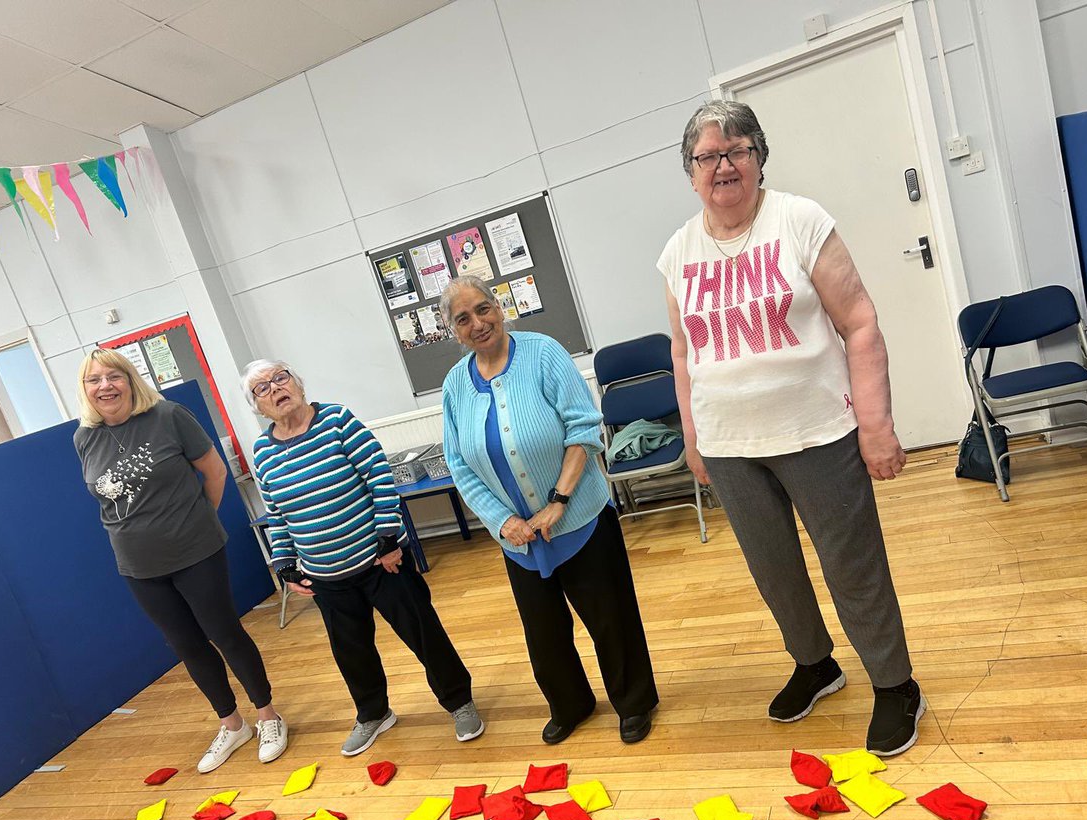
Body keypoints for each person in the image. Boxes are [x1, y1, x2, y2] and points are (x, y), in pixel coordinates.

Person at [657, 99, 924, 756]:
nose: (723, 164)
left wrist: (876, 426)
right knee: (773, 569)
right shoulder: (676, 253)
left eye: (736, 150)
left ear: (758, 157)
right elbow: (684, 351)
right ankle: (815, 663)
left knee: (851, 565)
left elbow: (859, 323)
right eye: (708, 155)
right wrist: (693, 436)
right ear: (690, 172)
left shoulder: (799, 221)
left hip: (816, 432)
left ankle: (895, 685)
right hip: (728, 445)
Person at [439, 276, 659, 745]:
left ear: (499, 308)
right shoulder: (455, 385)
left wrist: (559, 500)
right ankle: (570, 704)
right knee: (543, 634)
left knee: (610, 619)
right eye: (463, 318)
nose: (478, 323)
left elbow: (583, 429)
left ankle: (634, 702)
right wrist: (504, 522)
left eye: (483, 309)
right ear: (452, 330)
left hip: (578, 516)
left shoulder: (543, 352)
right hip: (518, 536)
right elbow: (459, 463)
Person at [244, 360, 483, 756]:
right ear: (257, 406)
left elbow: (379, 477)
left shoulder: (337, 420)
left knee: (423, 633)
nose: (275, 389)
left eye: (280, 378)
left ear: (298, 382)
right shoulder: (263, 452)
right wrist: (284, 563)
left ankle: (459, 702)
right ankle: (373, 713)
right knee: (351, 652)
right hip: (325, 575)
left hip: (379, 562)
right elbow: (279, 514)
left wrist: (388, 539)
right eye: (262, 388)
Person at [74, 348, 287, 773]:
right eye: (94, 380)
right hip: (137, 566)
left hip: (195, 551)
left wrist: (194, 522)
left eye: (113, 376)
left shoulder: (169, 416)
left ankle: (268, 716)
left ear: (130, 378)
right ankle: (232, 725)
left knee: (224, 634)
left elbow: (216, 472)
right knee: (187, 645)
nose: (105, 387)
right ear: (86, 391)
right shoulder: (84, 438)